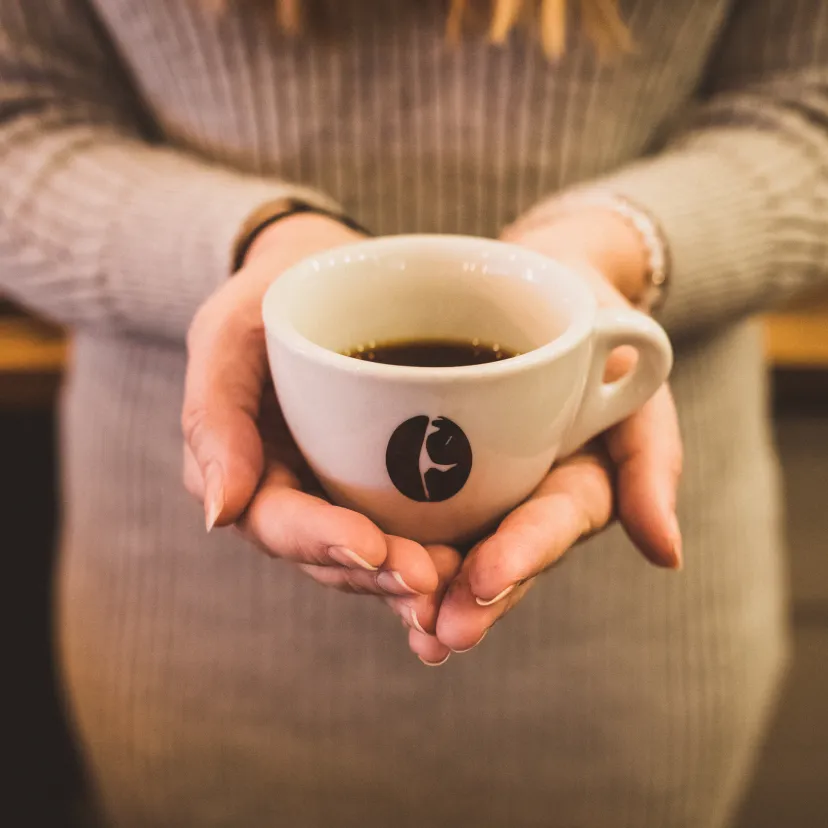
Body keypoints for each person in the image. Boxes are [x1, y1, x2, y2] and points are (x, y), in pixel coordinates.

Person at [1, 0, 825, 825]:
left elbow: (808, 108)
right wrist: (247, 243)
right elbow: (20, 120)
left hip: (632, 657)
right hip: (186, 632)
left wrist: (621, 245)